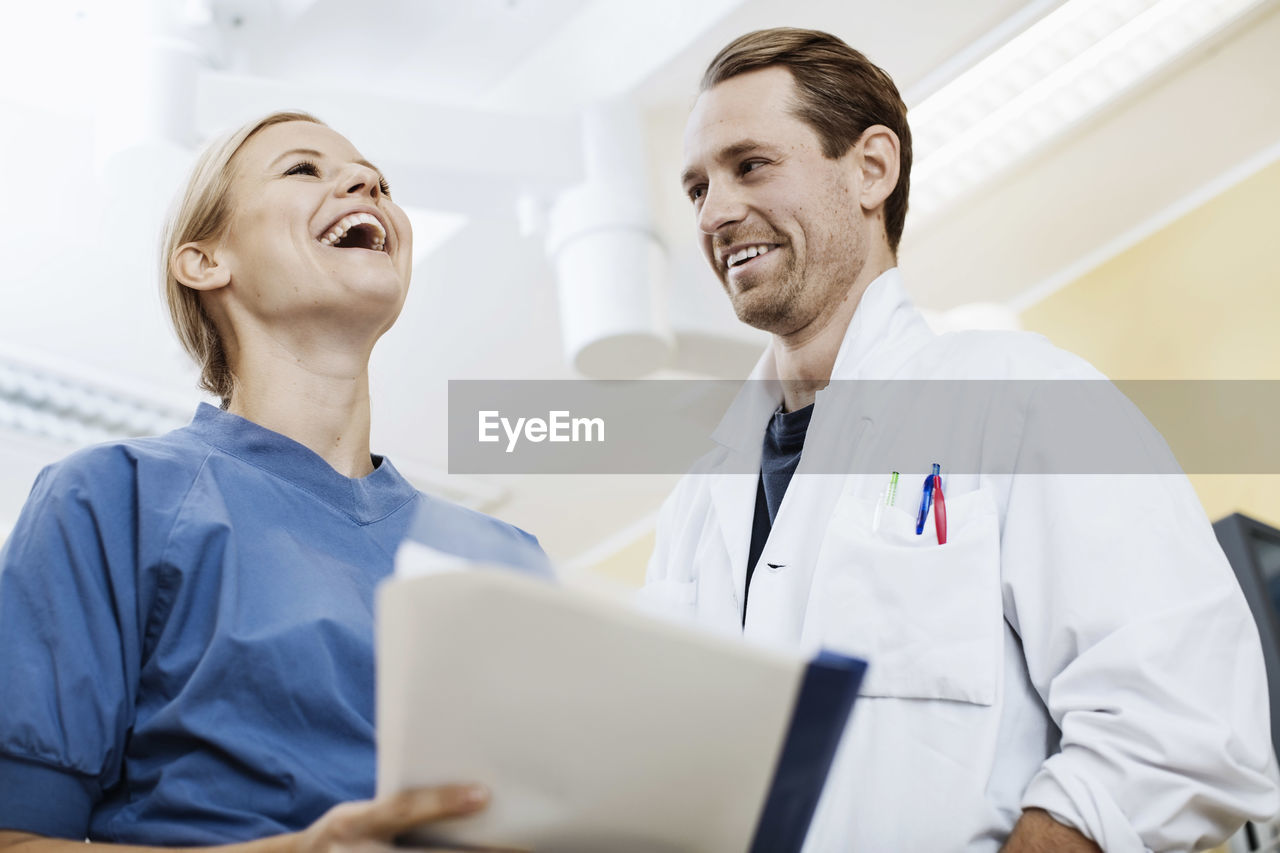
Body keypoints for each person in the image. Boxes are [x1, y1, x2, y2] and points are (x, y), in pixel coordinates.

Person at [646, 27, 1280, 851]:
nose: (717, 211)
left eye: (750, 164)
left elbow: (1182, 723)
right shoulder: (695, 507)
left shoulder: (1022, 397)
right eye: (697, 188)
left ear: (872, 167)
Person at [0, 111, 548, 849]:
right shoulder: (113, 499)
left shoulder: (508, 560)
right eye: (303, 169)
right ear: (203, 261)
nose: (368, 183)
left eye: (375, 179)